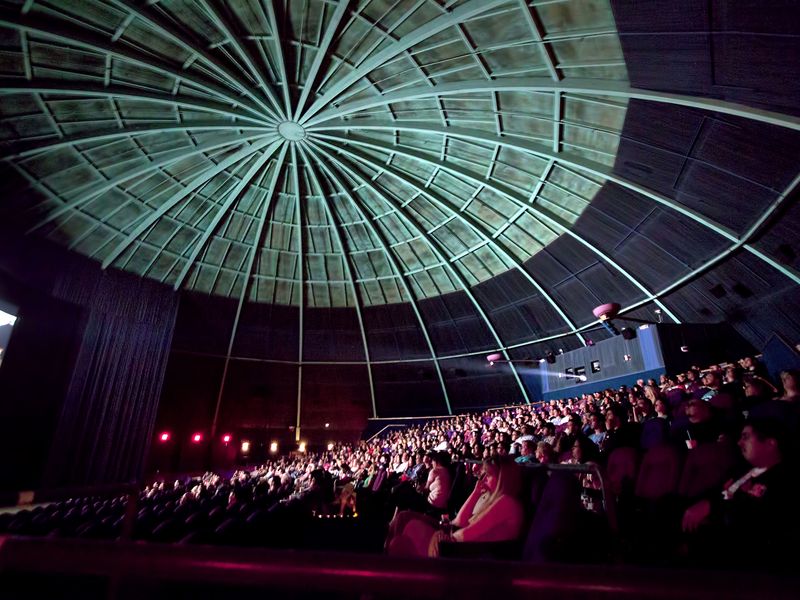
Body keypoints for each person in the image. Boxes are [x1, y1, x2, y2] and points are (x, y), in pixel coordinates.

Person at [681, 418, 797, 570]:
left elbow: (758, 517)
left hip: (740, 550)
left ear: (770, 443)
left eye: (746, 437)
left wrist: (712, 507)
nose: (739, 443)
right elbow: (717, 492)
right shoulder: (740, 470)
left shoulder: (784, 479)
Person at [386, 456, 525, 557]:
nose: (482, 479)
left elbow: (468, 534)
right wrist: (476, 493)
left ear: (501, 479)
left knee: (400, 542)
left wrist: (443, 537)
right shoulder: (489, 496)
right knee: (402, 532)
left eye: (487, 475)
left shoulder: (506, 502)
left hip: (464, 553)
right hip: (458, 541)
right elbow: (460, 522)